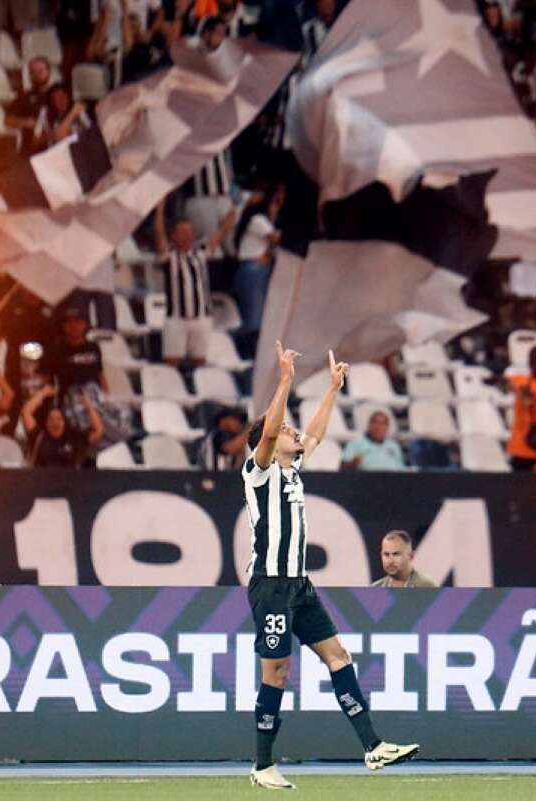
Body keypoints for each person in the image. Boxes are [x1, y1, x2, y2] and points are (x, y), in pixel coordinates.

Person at [244, 344, 418, 789]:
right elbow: (267, 433)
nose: (293, 432)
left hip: (299, 586)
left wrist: (333, 388)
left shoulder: (293, 467)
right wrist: (284, 379)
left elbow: (316, 434)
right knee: (276, 673)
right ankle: (263, 766)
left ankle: (373, 747)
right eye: (285, 429)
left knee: (339, 657)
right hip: (271, 586)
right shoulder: (259, 470)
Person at [152, 199, 237, 366]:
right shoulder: (169, 256)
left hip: (201, 318)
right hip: (176, 319)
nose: (187, 235)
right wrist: (160, 208)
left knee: (200, 362)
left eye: (189, 232)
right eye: (182, 232)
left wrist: (231, 216)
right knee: (171, 363)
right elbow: (158, 233)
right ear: (174, 236)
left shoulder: (200, 252)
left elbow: (221, 233)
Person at [233, 185, 283, 354]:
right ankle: (237, 347)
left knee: (262, 318)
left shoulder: (265, 222)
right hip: (252, 271)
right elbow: (276, 238)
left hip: (262, 268)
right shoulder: (257, 220)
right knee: (252, 320)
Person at [20, 385, 103, 467]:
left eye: (59, 418)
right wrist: (43, 392)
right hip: (41, 479)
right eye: (51, 419)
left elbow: (98, 430)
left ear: (65, 423)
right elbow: (26, 412)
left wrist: (88, 406)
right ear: (46, 423)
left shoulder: (74, 439)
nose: (55, 422)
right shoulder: (39, 436)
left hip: (68, 479)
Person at [341, 410, 407, 471]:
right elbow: (342, 468)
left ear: (387, 427)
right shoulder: (356, 443)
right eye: (375, 422)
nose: (378, 427)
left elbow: (401, 469)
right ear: (369, 425)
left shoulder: (394, 446)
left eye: (382, 424)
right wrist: (353, 463)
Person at [370, 530, 437, 588]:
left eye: (396, 554)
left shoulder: (427, 587)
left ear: (411, 556)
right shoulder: (374, 589)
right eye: (386, 554)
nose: (390, 561)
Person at [200, 406, 247, 471]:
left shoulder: (231, 436)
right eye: (236, 419)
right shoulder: (216, 435)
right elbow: (230, 448)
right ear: (224, 420)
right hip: (214, 475)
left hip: (225, 476)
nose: (239, 423)